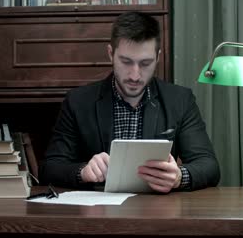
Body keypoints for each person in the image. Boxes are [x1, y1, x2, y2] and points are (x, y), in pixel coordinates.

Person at [40, 11, 220, 192]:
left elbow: (210, 167)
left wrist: (179, 177)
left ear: (158, 57)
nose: (135, 75)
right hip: (97, 213)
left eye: (145, 63)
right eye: (126, 62)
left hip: (157, 211)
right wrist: (83, 172)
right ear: (111, 54)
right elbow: (50, 168)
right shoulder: (78, 102)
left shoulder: (180, 100)